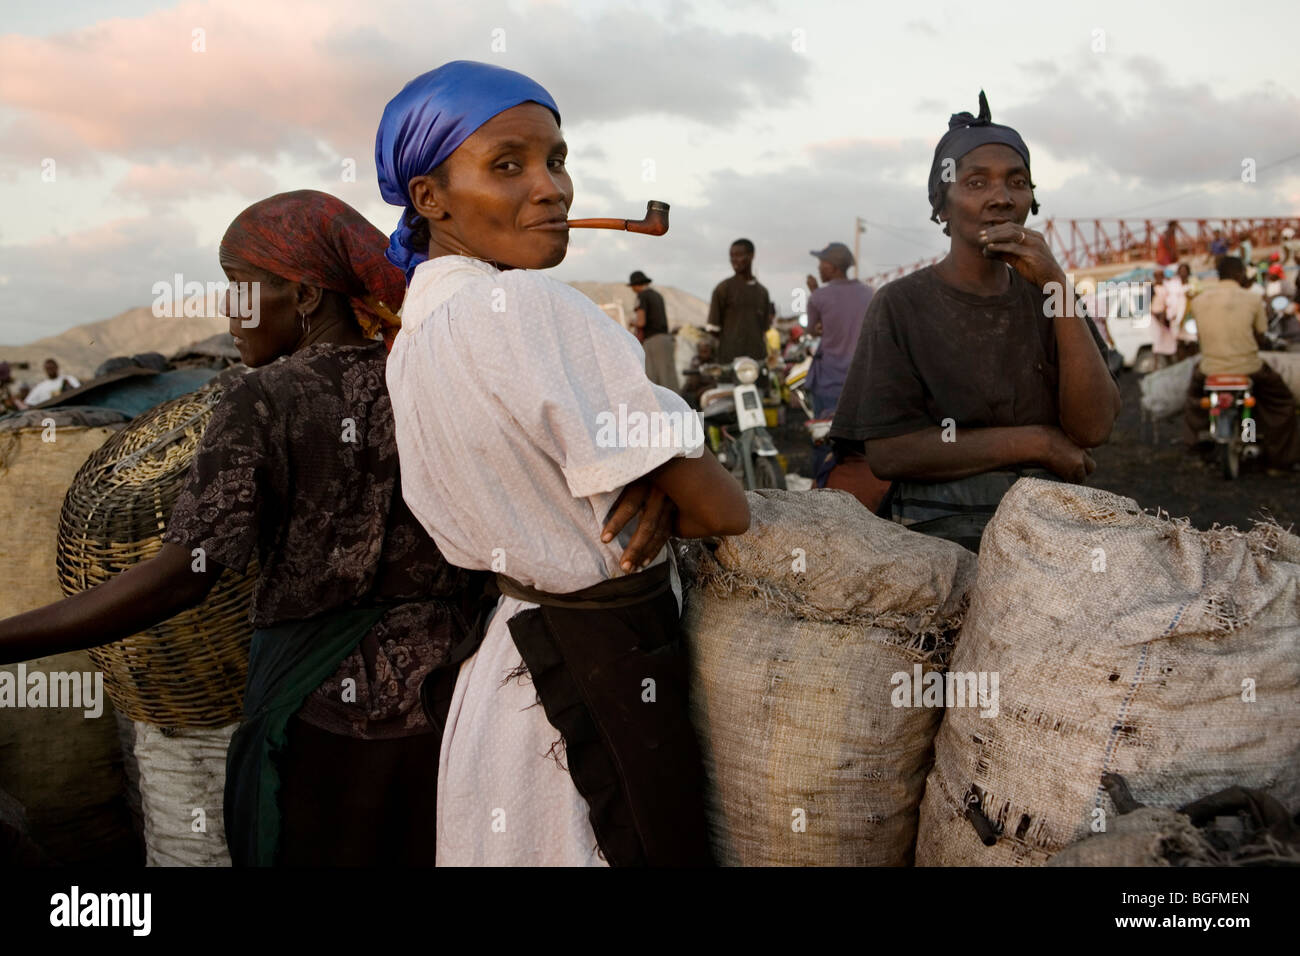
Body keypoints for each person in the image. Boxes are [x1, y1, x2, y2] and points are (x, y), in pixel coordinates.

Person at [0, 190, 480, 867]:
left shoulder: (263, 399)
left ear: (308, 295)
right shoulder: (431, 379)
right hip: (456, 708)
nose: (230, 314)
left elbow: (181, 580)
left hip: (323, 723)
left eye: (240, 290)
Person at [375, 60, 750, 867]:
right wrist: (657, 469)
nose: (553, 190)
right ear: (429, 198)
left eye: (557, 159)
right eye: (506, 165)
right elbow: (724, 510)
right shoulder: (533, 307)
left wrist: (639, 470)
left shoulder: (415, 340)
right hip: (597, 689)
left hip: (506, 695)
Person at [828, 91, 1121, 551]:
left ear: (1031, 200)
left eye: (1017, 182)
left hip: (1054, 535)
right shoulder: (901, 304)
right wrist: (1038, 442)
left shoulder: (1050, 297)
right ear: (942, 207)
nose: (1002, 198)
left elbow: (1094, 430)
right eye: (977, 183)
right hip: (941, 536)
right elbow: (890, 452)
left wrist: (1059, 287)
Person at [1183, 256, 1300, 473]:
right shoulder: (1252, 299)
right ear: (1239, 275)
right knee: (1282, 402)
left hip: (1210, 369)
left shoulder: (1199, 301)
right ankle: (1279, 462)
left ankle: (1197, 447)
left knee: (1192, 400)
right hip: (1248, 368)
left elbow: (1201, 336)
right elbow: (1261, 336)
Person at [803, 241, 873, 418]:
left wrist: (814, 292)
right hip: (863, 381)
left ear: (831, 267)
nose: (818, 268)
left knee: (826, 436)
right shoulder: (869, 293)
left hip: (830, 382)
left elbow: (812, 331)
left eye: (821, 263)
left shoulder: (818, 297)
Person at [708, 238, 771, 364]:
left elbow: (764, 328)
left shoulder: (762, 292)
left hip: (757, 361)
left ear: (751, 256)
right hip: (730, 362)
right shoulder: (723, 289)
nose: (734, 261)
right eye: (732, 256)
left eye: (739, 255)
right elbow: (713, 329)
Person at [629, 270, 679, 392]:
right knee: (668, 378)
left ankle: (663, 410)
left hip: (653, 341)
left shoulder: (642, 296)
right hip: (665, 339)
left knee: (655, 381)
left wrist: (632, 322)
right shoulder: (657, 295)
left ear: (636, 285)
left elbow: (641, 322)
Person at [1148, 270, 1177, 369]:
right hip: (1156, 318)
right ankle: (1155, 366)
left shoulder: (1166, 288)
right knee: (1157, 340)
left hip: (1166, 318)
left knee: (1169, 339)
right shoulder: (1152, 288)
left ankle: (1171, 364)